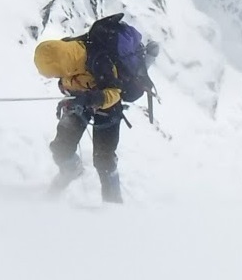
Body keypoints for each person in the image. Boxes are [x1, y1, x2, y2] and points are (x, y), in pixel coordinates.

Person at [33, 13, 157, 204]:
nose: (51, 77)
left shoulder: (99, 62)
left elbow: (115, 93)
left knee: (104, 159)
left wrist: (92, 98)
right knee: (61, 147)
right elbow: (70, 80)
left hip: (107, 108)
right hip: (79, 102)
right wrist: (74, 98)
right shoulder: (64, 53)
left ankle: (113, 204)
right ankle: (71, 169)